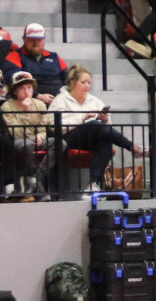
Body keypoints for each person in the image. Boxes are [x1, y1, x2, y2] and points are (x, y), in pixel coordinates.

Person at [48, 65, 147, 194]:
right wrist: (82, 118)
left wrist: (105, 120)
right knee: (94, 124)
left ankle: (93, 184)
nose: (87, 86)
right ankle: (133, 147)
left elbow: (107, 127)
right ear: (72, 83)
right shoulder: (60, 100)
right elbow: (54, 126)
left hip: (89, 139)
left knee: (106, 143)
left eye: (89, 83)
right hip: (67, 138)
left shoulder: (93, 100)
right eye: (83, 82)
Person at [1, 71, 52, 199]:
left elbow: (42, 129)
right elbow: (16, 133)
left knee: (60, 143)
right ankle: (34, 182)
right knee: (26, 144)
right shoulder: (7, 107)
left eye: (29, 87)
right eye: (22, 88)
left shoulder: (40, 105)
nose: (26, 91)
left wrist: (40, 136)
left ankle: (36, 177)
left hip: (35, 140)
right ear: (14, 91)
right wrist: (25, 111)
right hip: (18, 141)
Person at [2, 23, 67, 104]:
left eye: (39, 39)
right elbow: (15, 81)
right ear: (24, 39)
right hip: (28, 102)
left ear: (44, 40)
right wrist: (38, 96)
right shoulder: (14, 56)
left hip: (59, 101)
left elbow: (69, 78)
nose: (35, 43)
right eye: (31, 39)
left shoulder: (55, 57)